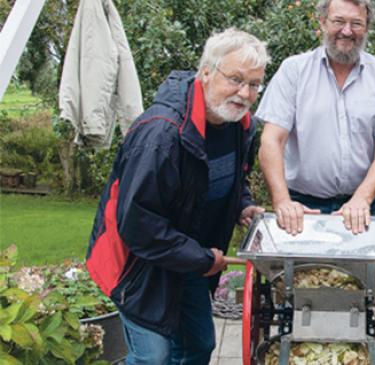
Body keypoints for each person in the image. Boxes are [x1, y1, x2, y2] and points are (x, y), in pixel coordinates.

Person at [85, 28, 269, 365]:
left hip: (190, 257)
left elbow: (233, 178)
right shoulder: (161, 135)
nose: (244, 93)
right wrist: (202, 259)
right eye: (235, 79)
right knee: (153, 358)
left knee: (199, 346)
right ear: (207, 72)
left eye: (254, 84)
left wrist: (242, 205)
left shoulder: (240, 125)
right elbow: (139, 225)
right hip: (140, 265)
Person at [256, 0, 375, 235]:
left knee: (355, 273)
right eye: (338, 21)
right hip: (301, 206)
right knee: (298, 272)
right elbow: (271, 140)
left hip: (360, 206)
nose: (347, 31)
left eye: (356, 23)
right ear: (322, 22)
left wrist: (362, 198)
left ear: (367, 27)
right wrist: (282, 201)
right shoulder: (293, 71)